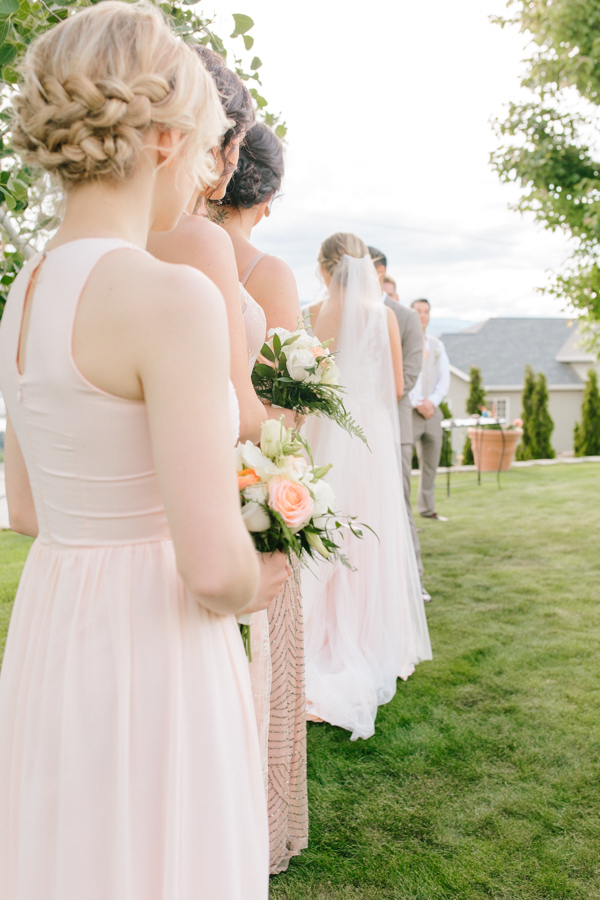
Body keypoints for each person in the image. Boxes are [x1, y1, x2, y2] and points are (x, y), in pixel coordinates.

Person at [0, 4, 290, 896]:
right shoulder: (170, 298)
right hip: (156, 641)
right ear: (165, 139)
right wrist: (262, 573)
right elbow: (211, 571)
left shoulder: (24, 291)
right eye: (207, 146)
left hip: (56, 624)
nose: (209, 170)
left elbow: (26, 508)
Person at [216, 122, 308, 875]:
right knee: (262, 664)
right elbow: (287, 404)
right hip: (255, 480)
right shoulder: (267, 271)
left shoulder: (160, 247)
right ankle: (260, 816)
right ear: (269, 196)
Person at [302, 233, 432, 742]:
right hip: (370, 434)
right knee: (370, 529)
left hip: (325, 427)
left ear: (322, 267)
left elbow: (308, 377)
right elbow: (396, 389)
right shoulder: (381, 316)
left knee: (327, 523)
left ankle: (321, 635)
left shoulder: (311, 313)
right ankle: (374, 637)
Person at [368, 247, 428, 601]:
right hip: (355, 428)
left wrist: (372, 406)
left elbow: (409, 370)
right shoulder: (345, 312)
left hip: (395, 426)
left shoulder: (405, 317)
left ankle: (414, 579)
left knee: (399, 502)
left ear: (380, 271)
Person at [410, 298, 451, 522]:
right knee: (404, 464)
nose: (422, 315)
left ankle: (427, 508)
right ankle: (403, 515)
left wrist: (432, 402)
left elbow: (444, 378)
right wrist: (418, 402)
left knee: (431, 463)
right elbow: (407, 377)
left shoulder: (437, 345)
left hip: (432, 412)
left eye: (426, 312)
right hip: (411, 411)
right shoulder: (406, 342)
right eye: (418, 311)